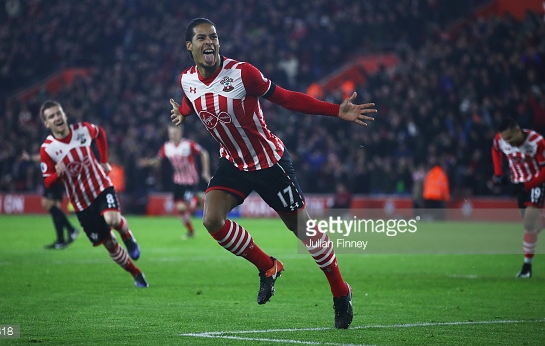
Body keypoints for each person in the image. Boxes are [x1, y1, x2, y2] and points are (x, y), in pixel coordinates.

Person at [169, 18, 377, 329]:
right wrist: (183, 113)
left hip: (269, 162)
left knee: (304, 233)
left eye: (213, 36)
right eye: (201, 38)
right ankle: (268, 266)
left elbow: (287, 98)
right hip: (234, 164)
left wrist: (336, 110)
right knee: (211, 219)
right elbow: (191, 100)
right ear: (190, 46)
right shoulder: (187, 79)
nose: (209, 42)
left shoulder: (242, 73)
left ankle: (340, 291)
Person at [38, 100, 148, 287]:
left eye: (59, 113)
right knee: (109, 243)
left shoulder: (82, 130)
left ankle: (128, 237)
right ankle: (136, 273)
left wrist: (104, 161)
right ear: (46, 124)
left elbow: (100, 133)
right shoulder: (47, 149)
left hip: (101, 187)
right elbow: (47, 180)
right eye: (51, 116)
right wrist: (58, 174)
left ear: (65, 115)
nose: (57, 117)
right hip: (81, 203)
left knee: (112, 219)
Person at [491, 117, 545, 278]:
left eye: (510, 138)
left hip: (536, 182)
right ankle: (527, 267)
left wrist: (528, 185)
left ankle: (526, 267)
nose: (507, 141)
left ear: (518, 130)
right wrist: (498, 173)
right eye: (505, 138)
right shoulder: (501, 139)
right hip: (518, 184)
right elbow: (495, 149)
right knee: (534, 226)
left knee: (529, 223)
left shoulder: (536, 142)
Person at [138, 124, 211, 238]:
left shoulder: (188, 145)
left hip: (190, 181)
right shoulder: (166, 147)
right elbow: (158, 160)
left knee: (184, 207)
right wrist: (149, 163)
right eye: (171, 133)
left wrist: (205, 172)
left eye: (175, 133)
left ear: (180, 133)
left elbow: (204, 153)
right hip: (177, 181)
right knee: (179, 210)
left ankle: (198, 197)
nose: (173, 135)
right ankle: (191, 231)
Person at [22, 151, 80, 249]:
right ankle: (60, 240)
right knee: (55, 209)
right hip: (58, 178)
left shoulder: (54, 144)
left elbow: (44, 156)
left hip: (54, 178)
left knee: (46, 204)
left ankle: (71, 229)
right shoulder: (57, 143)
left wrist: (30, 158)